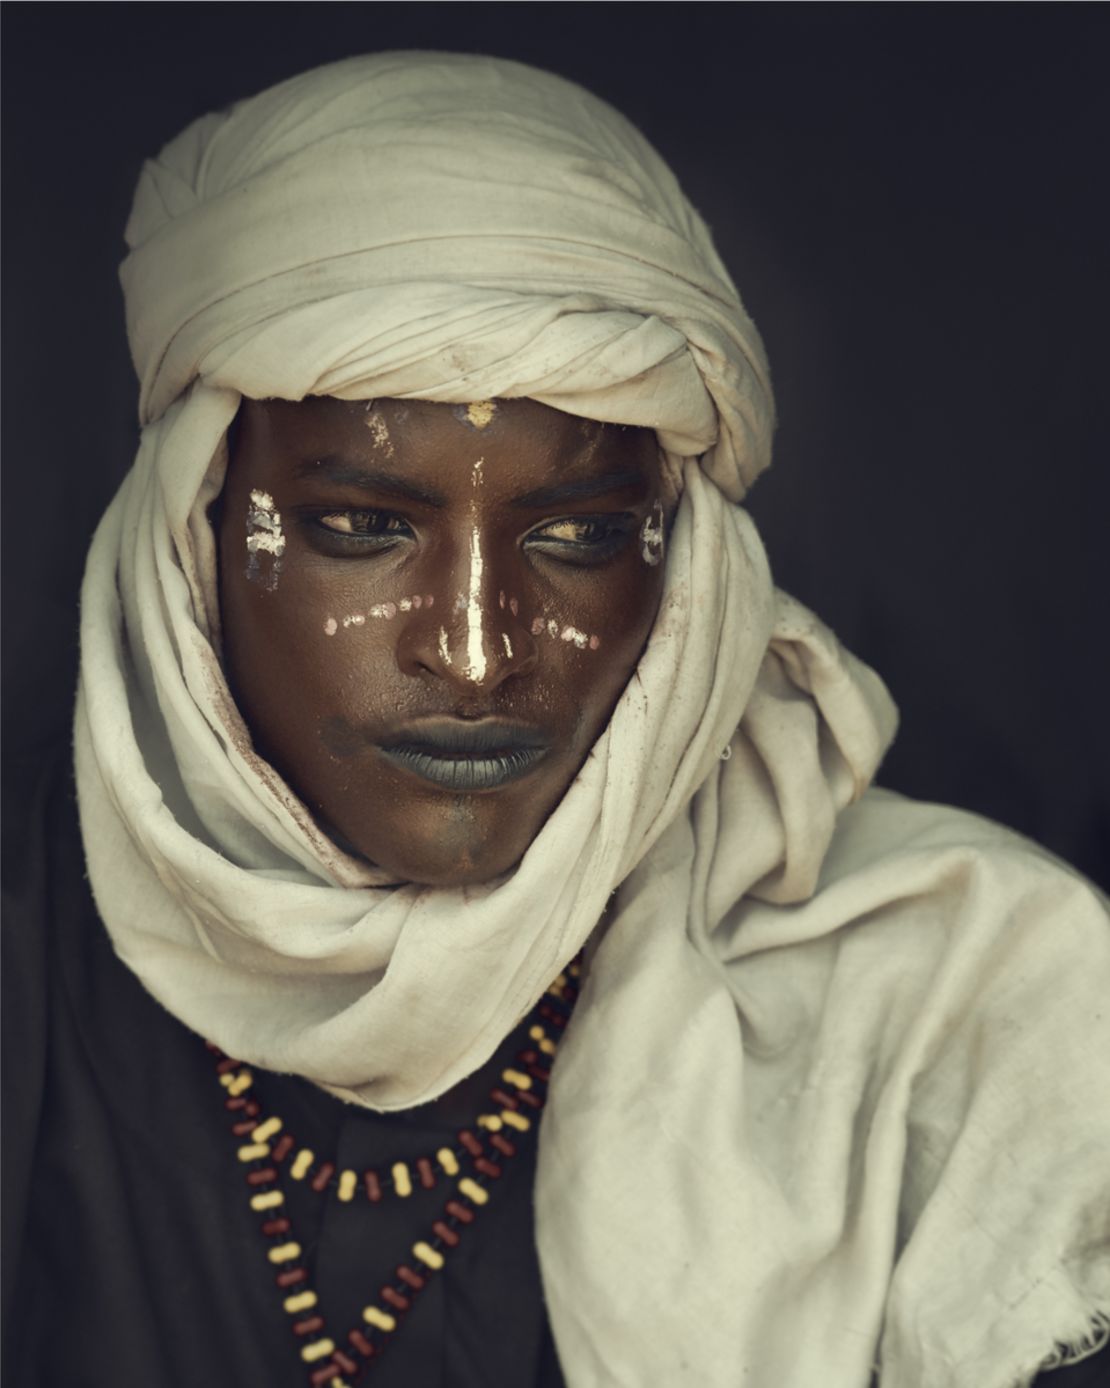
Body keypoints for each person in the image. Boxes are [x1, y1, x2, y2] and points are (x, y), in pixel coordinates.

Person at [4, 51, 1108, 1388]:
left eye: (581, 535)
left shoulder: (974, 1000)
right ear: (190, 542)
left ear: (688, 569)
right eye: (360, 528)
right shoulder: (35, 953)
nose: (474, 653)